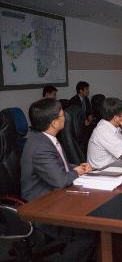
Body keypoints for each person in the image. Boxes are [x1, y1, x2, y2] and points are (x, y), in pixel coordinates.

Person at [20, 98, 96, 262]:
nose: (65, 118)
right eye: (63, 115)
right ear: (54, 123)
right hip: (41, 205)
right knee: (87, 233)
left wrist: (78, 167)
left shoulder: (43, 138)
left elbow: (61, 165)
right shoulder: (41, 147)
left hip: (55, 196)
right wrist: (77, 171)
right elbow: (61, 180)